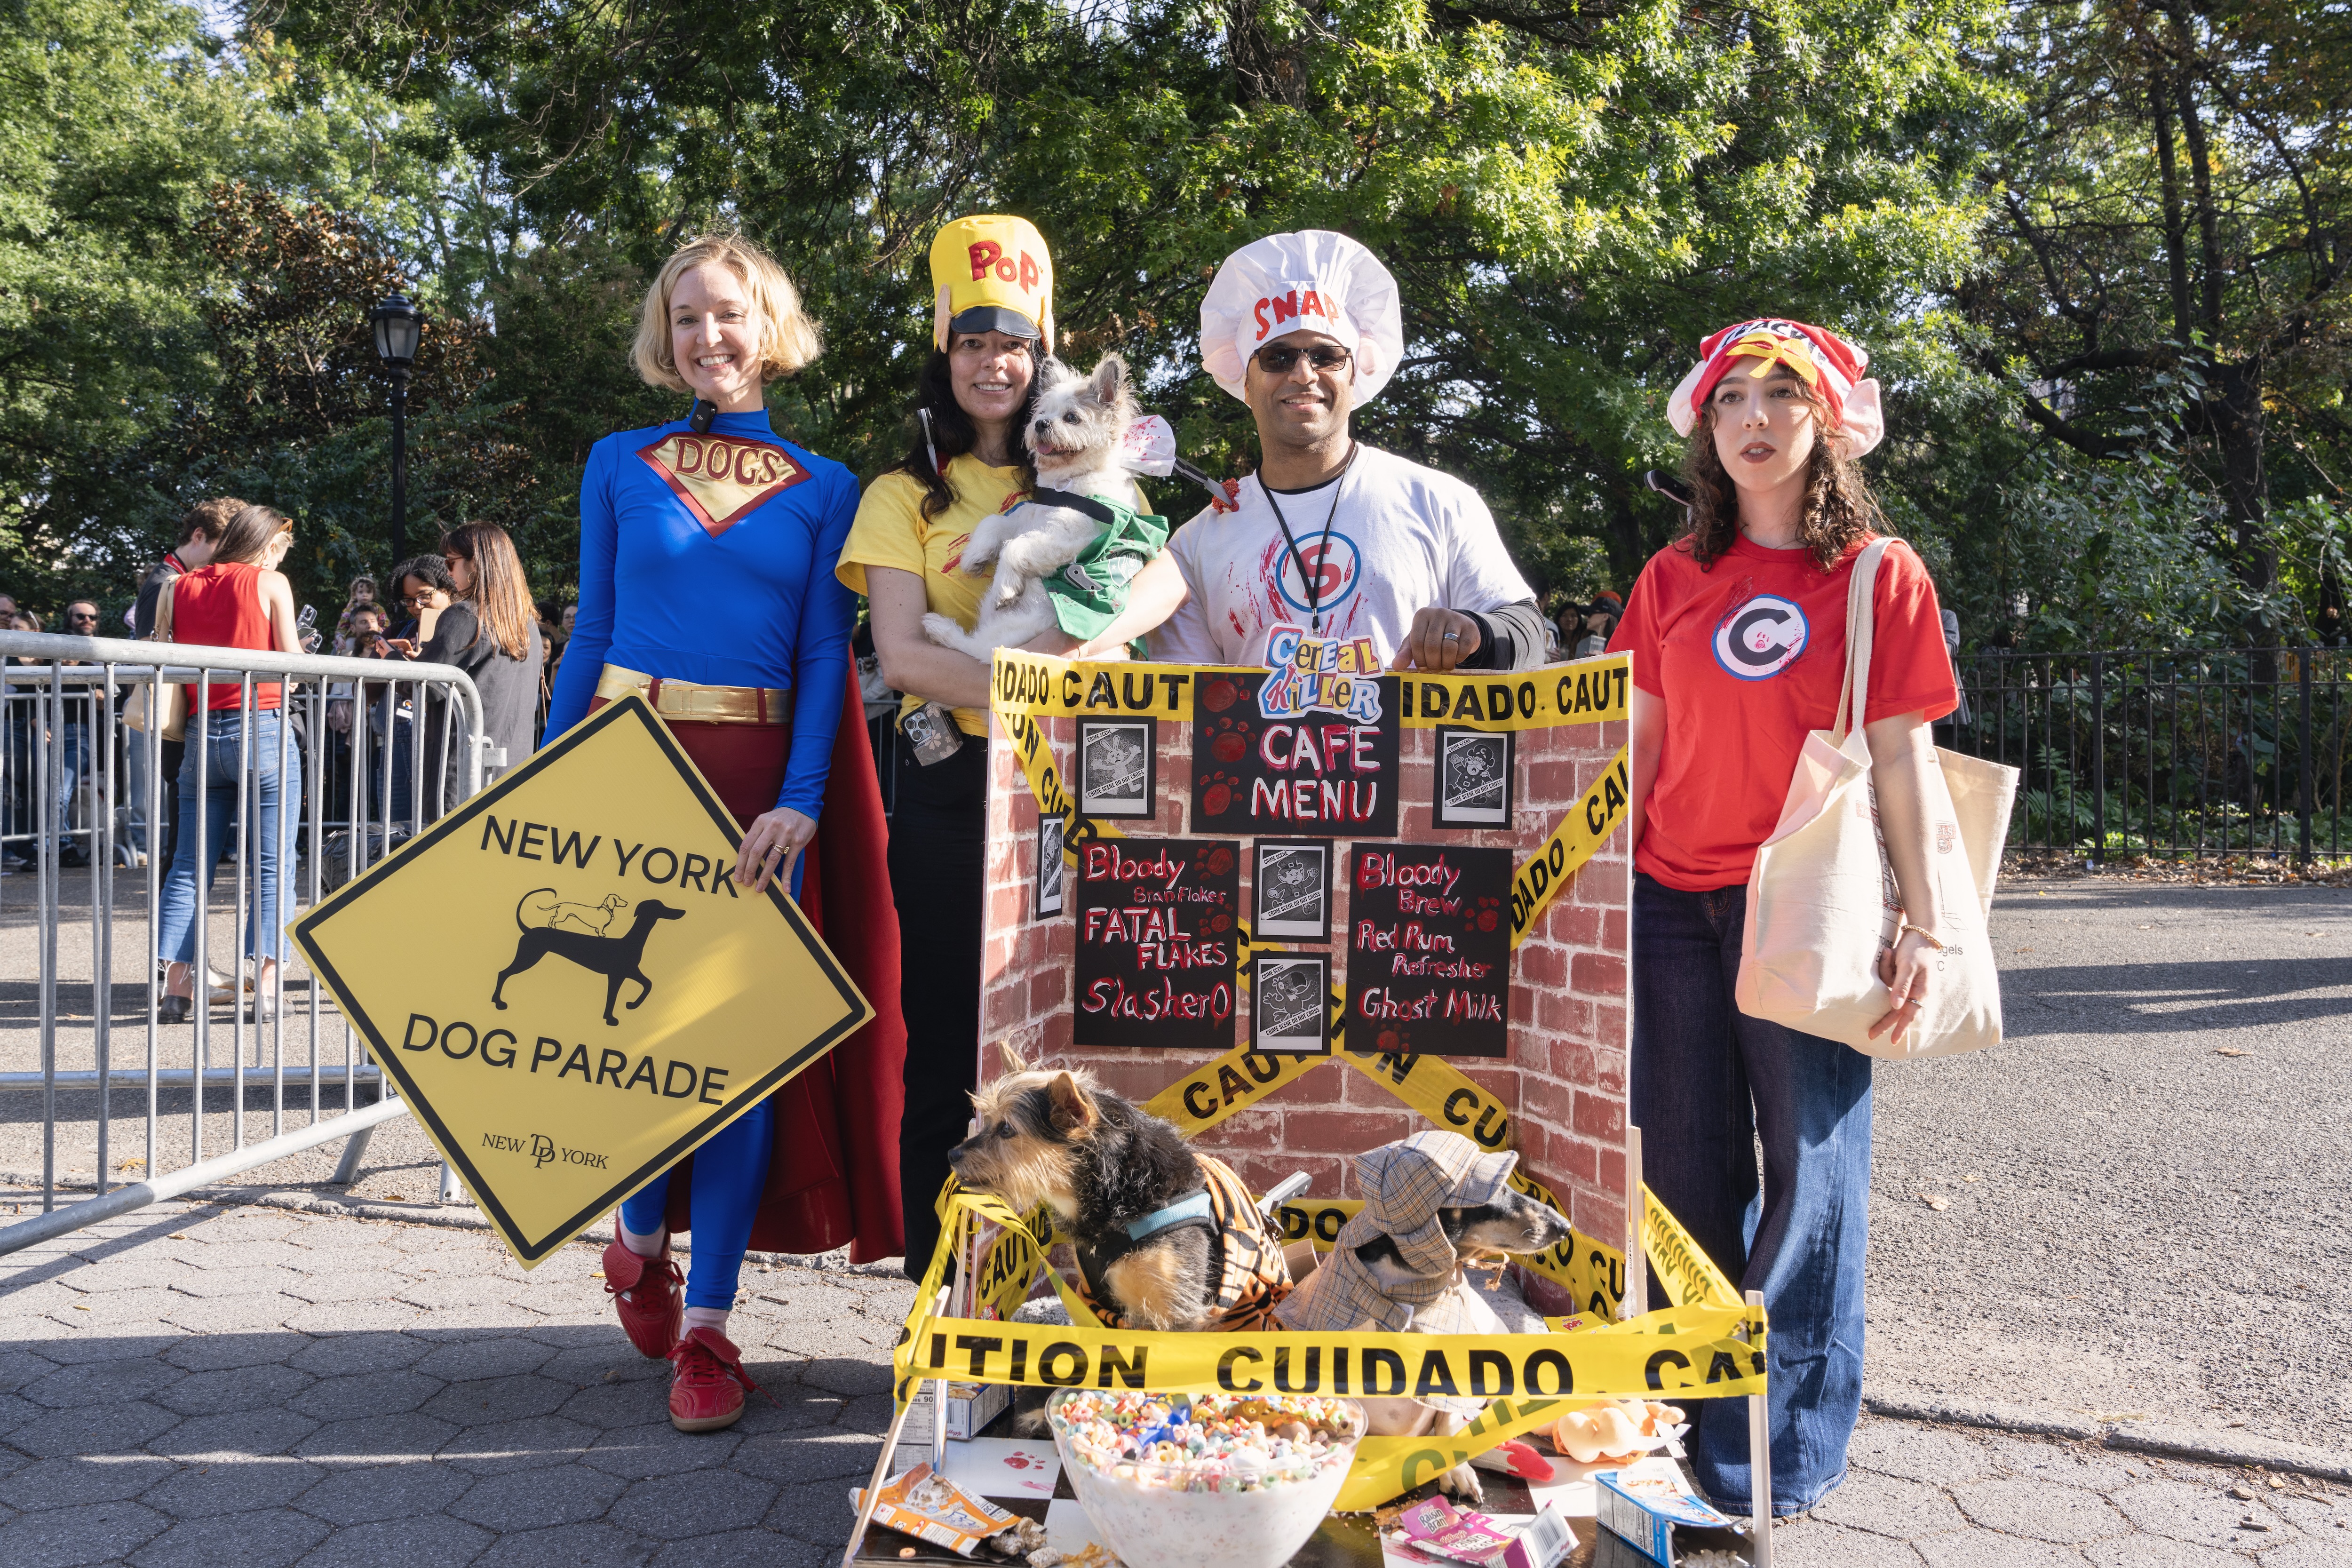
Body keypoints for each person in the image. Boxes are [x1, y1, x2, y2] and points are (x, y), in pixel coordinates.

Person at [545, 232, 905, 1434]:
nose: (710, 336)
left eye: (731, 315)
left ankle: (708, 1326)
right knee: (646, 1040)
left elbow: (820, 656)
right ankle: (639, 1231)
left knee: (740, 1056)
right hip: (626, 768)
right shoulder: (615, 462)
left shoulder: (826, 485)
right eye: (688, 317)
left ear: (771, 327)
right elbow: (593, 628)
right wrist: (544, 790)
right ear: (667, 334)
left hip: (757, 785)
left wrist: (802, 797)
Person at [1611, 318, 1956, 1517]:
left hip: (1809, 907)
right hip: (1669, 901)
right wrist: (1587, 881)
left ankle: (1780, 1454)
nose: (1754, 419)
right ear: (1705, 429)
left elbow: (1905, 761)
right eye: (1731, 401)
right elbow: (1635, 745)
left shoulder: (1875, 572)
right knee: (1686, 1178)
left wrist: (1926, 919)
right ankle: (1686, 1428)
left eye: (1781, 396)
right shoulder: (1668, 578)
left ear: (1828, 421)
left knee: (1810, 1178)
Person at [836, 213, 1075, 1282]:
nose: (994, 362)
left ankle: (1061, 1287)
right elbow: (900, 656)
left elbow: (1105, 635)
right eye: (974, 341)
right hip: (942, 790)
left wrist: (988, 666)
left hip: (1061, 792)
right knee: (941, 1050)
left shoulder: (1087, 489)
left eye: (1013, 342)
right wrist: (1031, 678)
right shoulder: (899, 495)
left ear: (1041, 356)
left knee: (1058, 1053)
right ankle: (941, 1293)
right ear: (945, 352)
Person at [1079, 230, 1548, 673]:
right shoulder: (1196, 546)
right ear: (1245, 378)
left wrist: (1474, 634)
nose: (1303, 375)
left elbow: (1527, 633)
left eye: (1326, 356)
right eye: (1277, 357)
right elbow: (1188, 709)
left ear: (1352, 371)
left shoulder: (1437, 502)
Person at [154, 504, 307, 1024]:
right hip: (260, 725)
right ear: (268, 546)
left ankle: (177, 988)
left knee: (188, 868)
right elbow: (290, 662)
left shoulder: (183, 585)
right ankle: (265, 987)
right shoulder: (271, 583)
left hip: (201, 733)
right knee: (272, 866)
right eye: (281, 550)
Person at [131, 499, 244, 869]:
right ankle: (170, 919)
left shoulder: (175, 578)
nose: (222, 561)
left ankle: (173, 915)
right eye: (219, 548)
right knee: (185, 842)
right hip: (176, 719)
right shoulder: (164, 580)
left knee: (189, 836)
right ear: (199, 536)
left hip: (186, 717)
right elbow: (148, 651)